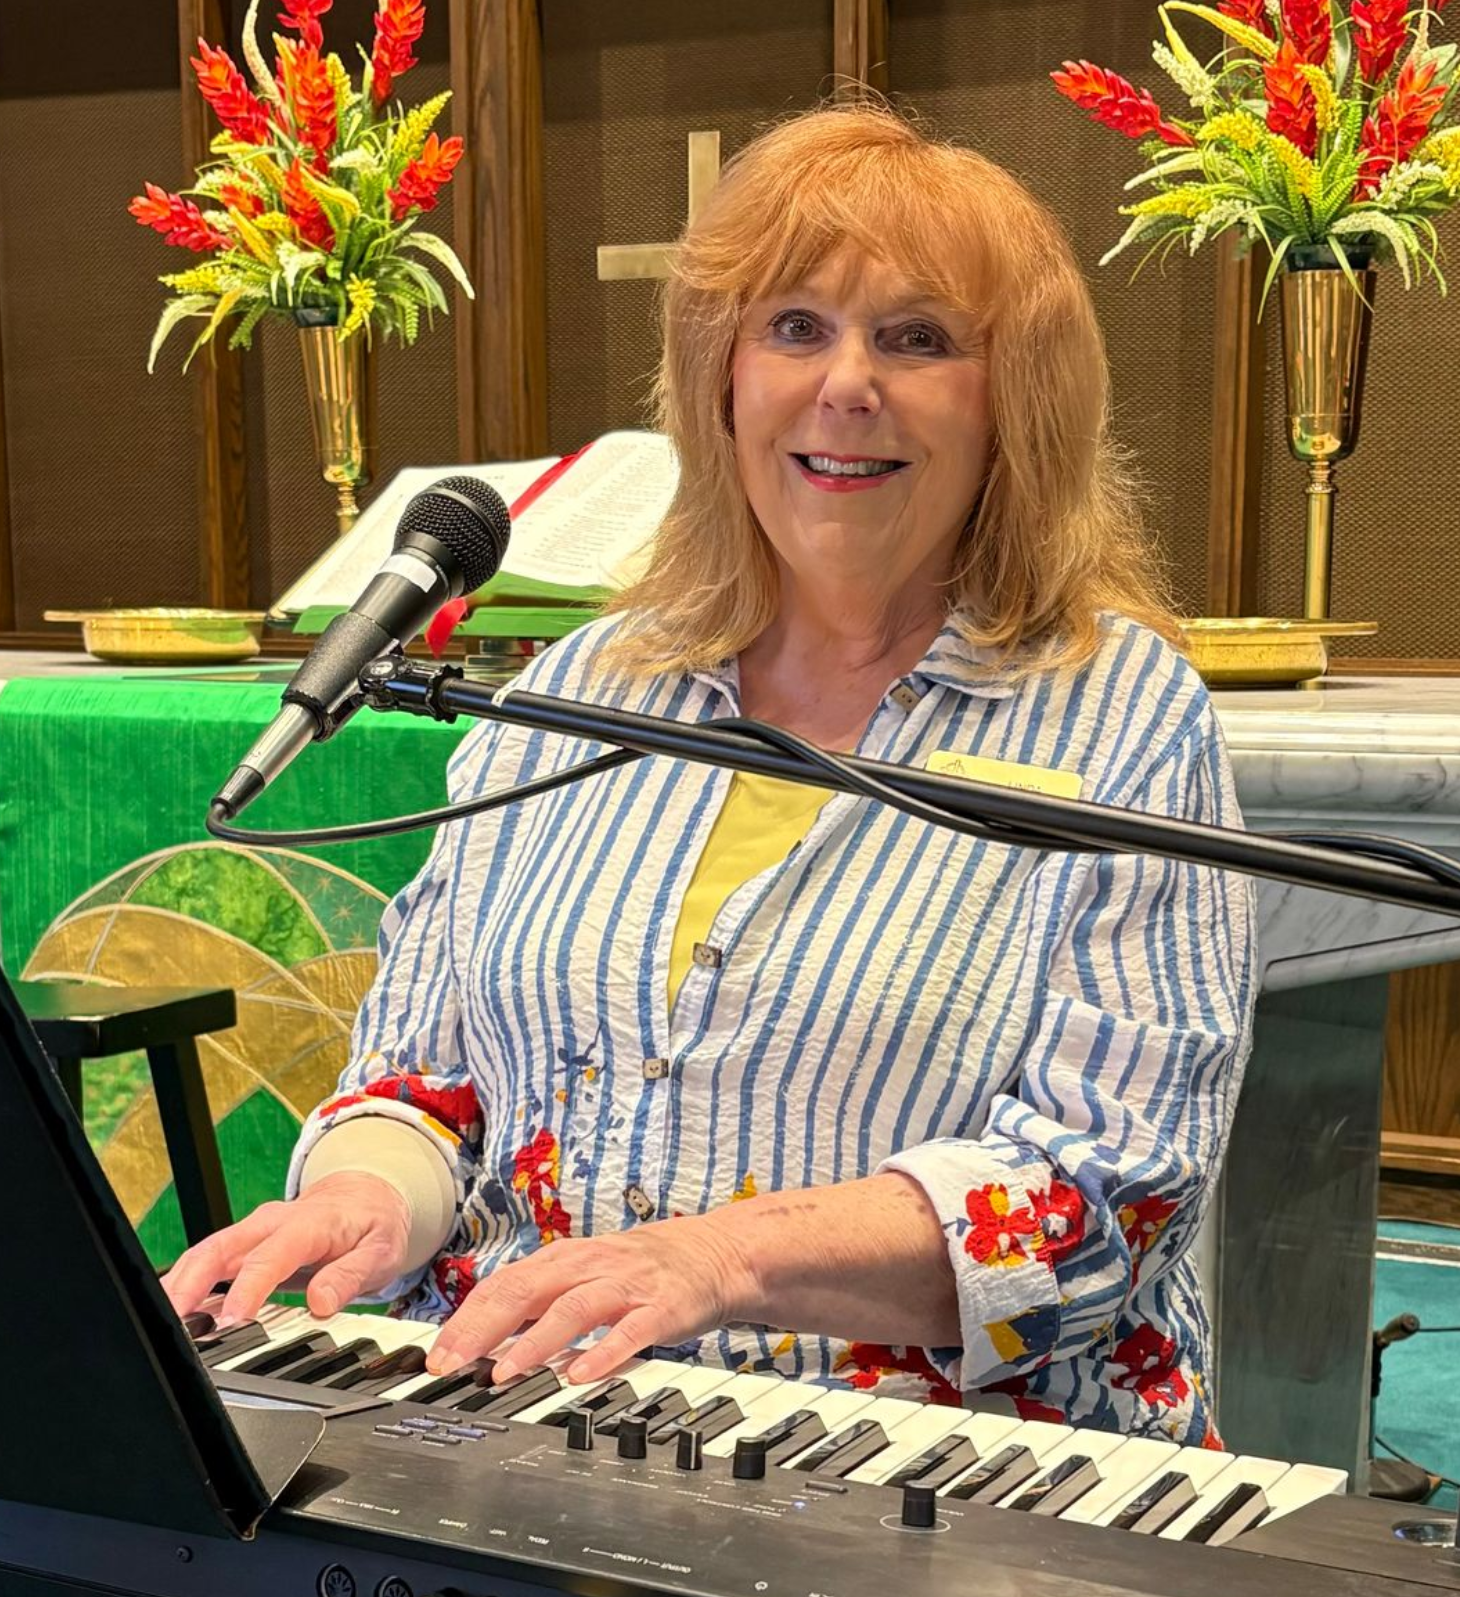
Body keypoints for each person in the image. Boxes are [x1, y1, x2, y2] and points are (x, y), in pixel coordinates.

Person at [163, 101, 1254, 1446]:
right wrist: (366, 1196)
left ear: (1013, 401)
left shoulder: (1117, 720)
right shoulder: (578, 691)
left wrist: (712, 1259)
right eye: (794, 326)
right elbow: (427, 1077)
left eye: (915, 338)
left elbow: (1108, 1189)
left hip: (946, 1470)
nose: (844, 383)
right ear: (721, 378)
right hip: (533, 1422)